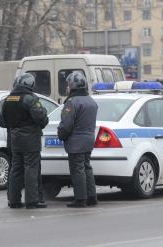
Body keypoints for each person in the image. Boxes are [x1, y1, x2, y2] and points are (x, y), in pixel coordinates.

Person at [0, 73, 49, 209]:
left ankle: (14, 201)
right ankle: (32, 200)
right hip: (31, 140)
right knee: (31, 169)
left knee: (16, 169)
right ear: (30, 84)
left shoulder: (8, 99)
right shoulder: (30, 99)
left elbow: (1, 120)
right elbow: (42, 118)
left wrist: (14, 126)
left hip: (15, 139)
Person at [57, 72, 98, 208]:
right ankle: (92, 197)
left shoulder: (72, 102)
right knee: (87, 167)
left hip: (76, 142)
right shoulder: (91, 101)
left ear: (73, 86)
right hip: (88, 140)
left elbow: (66, 125)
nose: (67, 88)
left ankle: (80, 199)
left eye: (68, 85)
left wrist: (61, 134)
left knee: (77, 170)